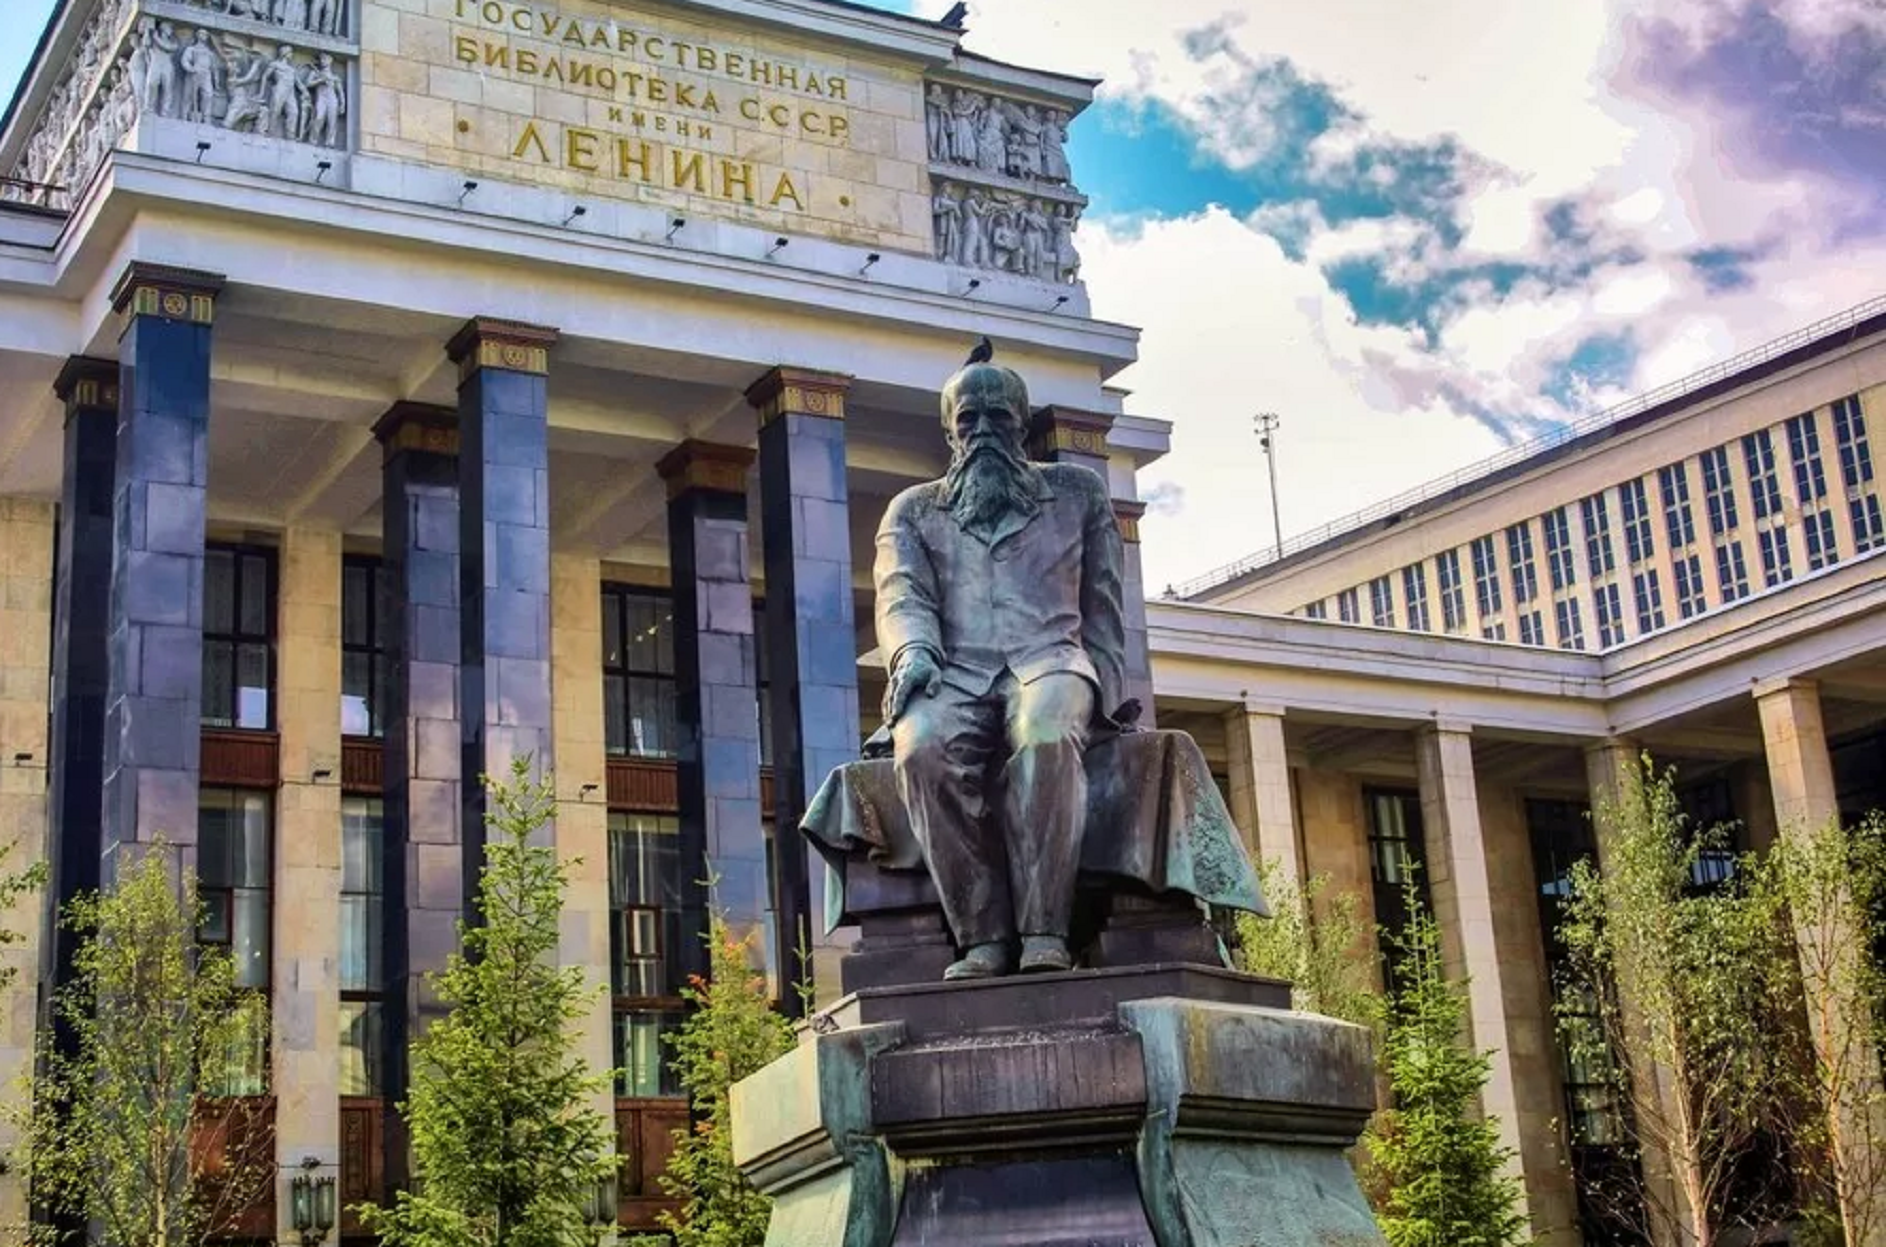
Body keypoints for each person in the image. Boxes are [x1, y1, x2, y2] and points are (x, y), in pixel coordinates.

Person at [873, 353, 1127, 979]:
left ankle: (1045, 931)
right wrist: (913, 653)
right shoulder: (913, 510)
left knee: (1042, 733)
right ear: (949, 433)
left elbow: (1105, 604)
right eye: (968, 420)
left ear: (1022, 424)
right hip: (955, 671)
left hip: (1052, 662)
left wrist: (1111, 700)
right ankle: (982, 937)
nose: (983, 431)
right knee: (921, 747)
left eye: (998, 417)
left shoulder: (1078, 494)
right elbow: (903, 595)